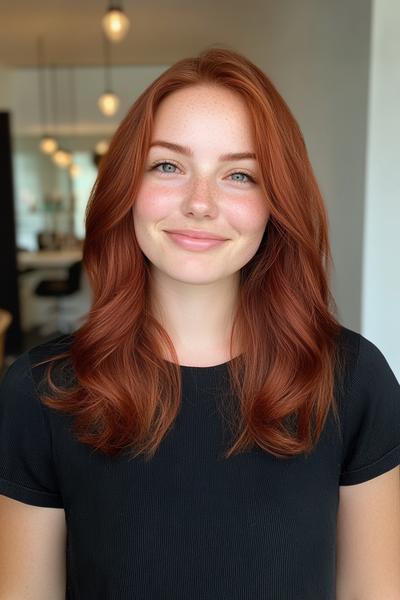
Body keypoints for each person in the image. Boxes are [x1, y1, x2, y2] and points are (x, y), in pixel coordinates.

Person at [0, 46, 399, 600]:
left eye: (239, 174)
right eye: (168, 165)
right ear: (126, 188)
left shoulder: (353, 381)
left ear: (275, 202)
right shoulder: (39, 391)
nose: (201, 203)